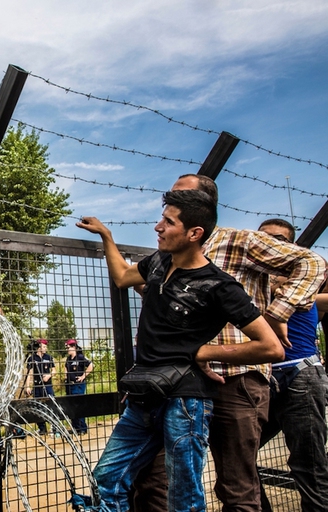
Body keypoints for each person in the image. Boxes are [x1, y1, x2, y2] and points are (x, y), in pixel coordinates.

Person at [76, 189, 283, 512]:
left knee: (183, 496)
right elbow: (122, 277)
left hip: (185, 403)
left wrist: (205, 353)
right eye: (162, 219)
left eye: (169, 222)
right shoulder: (158, 263)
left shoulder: (219, 285)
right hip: (145, 398)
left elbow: (270, 347)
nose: (158, 227)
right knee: (106, 482)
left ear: (194, 233)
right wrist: (107, 236)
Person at [161, 174, 326, 512]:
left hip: (276, 373)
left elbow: (312, 268)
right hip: (215, 375)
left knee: (302, 465)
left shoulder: (264, 260)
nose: (270, 244)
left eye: (279, 241)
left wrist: (279, 311)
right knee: (232, 469)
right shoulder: (184, 254)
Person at [256, 219, 328, 512]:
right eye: (263, 238)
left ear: (293, 246)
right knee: (237, 455)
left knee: (308, 464)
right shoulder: (253, 277)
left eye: (279, 239)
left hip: (300, 375)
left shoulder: (305, 274)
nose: (271, 243)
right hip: (264, 379)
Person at [24, 339, 57, 435]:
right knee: (37, 406)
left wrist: (49, 375)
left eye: (46, 347)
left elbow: (54, 371)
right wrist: (28, 386)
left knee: (51, 404)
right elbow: (28, 373)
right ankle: (42, 428)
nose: (45, 348)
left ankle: (54, 427)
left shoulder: (48, 357)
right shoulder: (32, 358)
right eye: (44, 346)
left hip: (47, 385)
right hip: (37, 385)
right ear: (39, 347)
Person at [63, 339, 93, 435]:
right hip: (69, 385)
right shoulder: (69, 359)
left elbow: (91, 365)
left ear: (74, 347)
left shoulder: (80, 357)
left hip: (78, 385)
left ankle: (82, 428)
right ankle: (75, 427)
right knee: (71, 406)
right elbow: (66, 367)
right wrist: (65, 376)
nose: (67, 349)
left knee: (78, 405)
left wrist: (83, 376)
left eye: (68, 347)